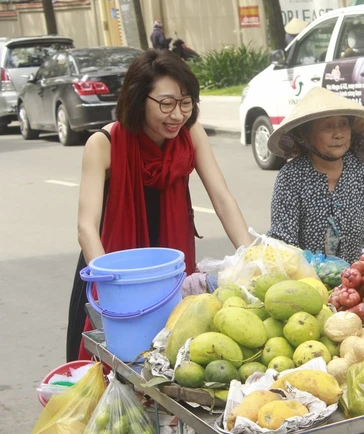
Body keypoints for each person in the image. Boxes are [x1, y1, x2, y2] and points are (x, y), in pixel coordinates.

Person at [66, 50, 252, 361]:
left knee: (173, 360)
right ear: (139, 99)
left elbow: (222, 198)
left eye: (185, 103)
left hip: (169, 270)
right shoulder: (103, 144)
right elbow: (86, 226)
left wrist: (250, 257)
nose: (177, 115)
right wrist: (111, 289)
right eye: (166, 104)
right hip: (113, 272)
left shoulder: (191, 134)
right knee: (111, 375)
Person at [266, 87, 364, 264]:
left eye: (343, 124)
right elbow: (284, 241)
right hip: (308, 282)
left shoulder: (359, 168)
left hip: (355, 281)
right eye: (327, 126)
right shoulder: (291, 176)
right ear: (306, 136)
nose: (338, 134)